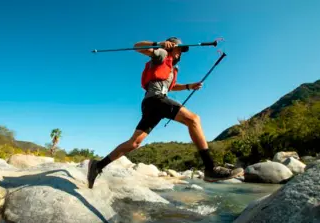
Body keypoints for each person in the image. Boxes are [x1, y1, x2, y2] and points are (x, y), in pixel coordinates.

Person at [87, 37, 244, 189]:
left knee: (134, 143)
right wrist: (159, 44)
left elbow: (172, 86)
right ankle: (210, 168)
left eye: (182, 51)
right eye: (178, 49)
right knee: (194, 119)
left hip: (153, 104)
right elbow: (137, 46)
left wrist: (189, 86)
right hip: (156, 99)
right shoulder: (162, 54)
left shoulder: (171, 69)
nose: (180, 53)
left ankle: (98, 165)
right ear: (171, 46)